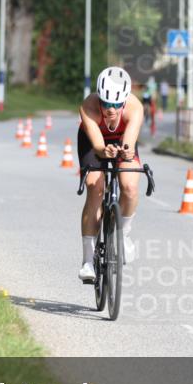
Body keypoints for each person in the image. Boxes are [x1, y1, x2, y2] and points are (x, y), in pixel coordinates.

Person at [77, 66, 144, 282]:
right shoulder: (89, 106)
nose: (111, 109)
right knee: (95, 187)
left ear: (124, 100)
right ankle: (88, 261)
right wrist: (103, 151)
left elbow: (129, 141)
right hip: (93, 140)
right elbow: (97, 144)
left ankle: (123, 235)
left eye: (116, 104)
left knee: (130, 186)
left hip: (122, 139)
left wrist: (125, 151)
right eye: (106, 103)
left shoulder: (135, 108)